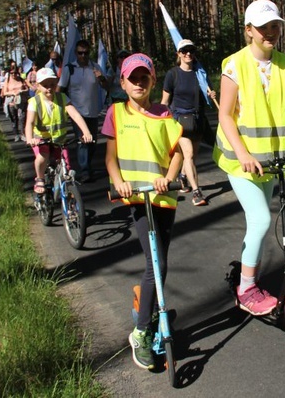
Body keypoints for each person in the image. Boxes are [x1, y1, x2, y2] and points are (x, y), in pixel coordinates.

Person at [213, 0, 285, 316]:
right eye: (263, 27)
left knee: (257, 223)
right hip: (239, 159)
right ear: (249, 31)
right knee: (261, 220)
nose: (270, 33)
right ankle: (246, 288)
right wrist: (243, 154)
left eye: (275, 26)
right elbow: (225, 116)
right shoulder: (234, 65)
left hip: (272, 161)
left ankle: (248, 276)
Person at [102, 53, 184, 371]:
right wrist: (119, 182)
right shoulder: (116, 113)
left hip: (164, 199)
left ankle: (144, 307)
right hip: (138, 200)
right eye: (132, 77)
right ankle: (140, 332)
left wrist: (169, 177)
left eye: (144, 76)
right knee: (157, 263)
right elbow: (111, 157)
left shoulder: (164, 113)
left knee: (160, 266)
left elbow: (175, 153)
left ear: (152, 80)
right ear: (122, 82)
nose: (138, 82)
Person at [160, 38, 217, 206]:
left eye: (191, 50)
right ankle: (196, 192)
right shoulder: (173, 74)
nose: (188, 54)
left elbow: (207, 94)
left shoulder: (200, 74)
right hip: (180, 121)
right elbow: (164, 101)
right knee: (189, 154)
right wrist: (163, 122)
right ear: (179, 54)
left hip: (198, 120)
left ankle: (183, 176)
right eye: (184, 51)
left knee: (192, 157)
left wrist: (211, 95)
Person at [24, 68, 93, 194]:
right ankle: (39, 178)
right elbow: (29, 123)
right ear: (38, 86)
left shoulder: (62, 98)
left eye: (52, 84)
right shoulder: (35, 102)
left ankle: (69, 194)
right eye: (45, 86)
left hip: (59, 139)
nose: (49, 88)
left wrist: (86, 132)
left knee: (65, 164)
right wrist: (30, 139)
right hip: (41, 139)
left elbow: (76, 115)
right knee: (42, 157)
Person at [58, 39, 104, 182]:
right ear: (76, 54)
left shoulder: (95, 67)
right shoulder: (69, 69)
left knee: (92, 141)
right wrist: (64, 105)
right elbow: (59, 89)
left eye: (85, 53)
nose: (83, 56)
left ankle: (88, 166)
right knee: (83, 141)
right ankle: (85, 171)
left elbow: (106, 86)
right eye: (80, 53)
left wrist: (101, 78)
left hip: (93, 110)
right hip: (77, 112)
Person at [2, 60, 29, 141]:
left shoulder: (21, 79)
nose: (13, 75)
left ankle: (22, 134)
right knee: (14, 119)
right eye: (11, 73)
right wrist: (13, 93)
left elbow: (27, 89)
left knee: (22, 118)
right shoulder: (7, 80)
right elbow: (5, 92)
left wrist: (22, 91)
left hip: (21, 101)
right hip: (11, 102)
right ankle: (16, 134)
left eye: (15, 73)